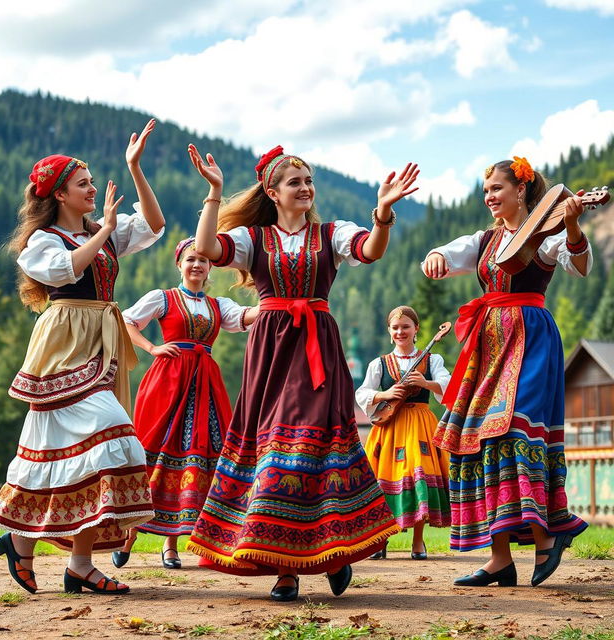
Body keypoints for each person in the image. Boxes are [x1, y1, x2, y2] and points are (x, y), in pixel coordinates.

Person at [185, 144, 420, 602]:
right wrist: (214, 192)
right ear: (272, 192)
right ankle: (286, 568)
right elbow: (206, 248)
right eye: (295, 182)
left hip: (317, 349)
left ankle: (332, 550)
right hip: (271, 351)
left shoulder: (332, 233)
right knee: (273, 448)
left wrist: (384, 214)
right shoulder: (255, 240)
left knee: (316, 446)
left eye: (309, 181)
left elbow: (369, 250)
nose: (306, 188)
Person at [0, 119, 165, 595]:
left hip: (99, 343)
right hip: (64, 344)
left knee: (78, 455)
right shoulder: (41, 243)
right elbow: (66, 271)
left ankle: (72, 560)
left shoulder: (96, 232)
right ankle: (29, 543)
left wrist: (136, 169)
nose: (91, 189)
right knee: (110, 436)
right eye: (83, 183)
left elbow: (153, 225)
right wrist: (104, 229)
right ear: (60, 194)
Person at [422, 156, 590, 587]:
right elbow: (444, 253)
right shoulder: (484, 239)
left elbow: (580, 265)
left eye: (497, 188)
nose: (490, 197)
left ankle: (546, 537)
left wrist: (571, 225)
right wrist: (435, 257)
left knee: (518, 431)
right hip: (489, 342)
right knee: (479, 439)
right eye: (485, 191)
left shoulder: (546, 232)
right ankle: (500, 558)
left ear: (521, 190)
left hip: (531, 338)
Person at [112, 237, 259, 569]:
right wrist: (152, 349)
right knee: (156, 451)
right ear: (179, 263)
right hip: (167, 383)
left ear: (210, 268)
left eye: (203, 261)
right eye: (191, 259)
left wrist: (279, 300)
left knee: (201, 454)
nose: (197, 265)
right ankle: (129, 535)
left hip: (205, 385)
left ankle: (172, 544)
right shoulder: (163, 299)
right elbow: (126, 321)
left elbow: (248, 316)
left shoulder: (218, 305)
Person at [356, 305, 451, 560]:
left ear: (416, 329)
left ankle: (418, 541)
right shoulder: (379, 363)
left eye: (406, 326)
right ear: (389, 331)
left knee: (418, 475)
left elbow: (448, 385)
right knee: (384, 478)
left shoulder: (433, 360)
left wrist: (425, 383)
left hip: (420, 424)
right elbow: (363, 392)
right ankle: (381, 539)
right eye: (396, 328)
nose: (401, 332)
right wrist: (384, 394)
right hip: (389, 427)